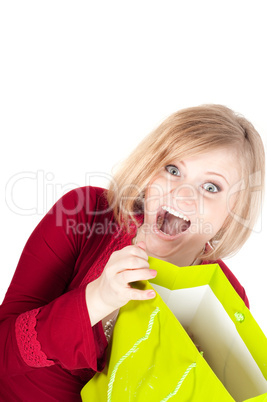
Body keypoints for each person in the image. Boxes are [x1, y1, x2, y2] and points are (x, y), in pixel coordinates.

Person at [0, 104, 265, 401]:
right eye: (173, 169)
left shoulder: (223, 297)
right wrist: (95, 299)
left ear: (233, 213)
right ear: (150, 170)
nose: (182, 193)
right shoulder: (83, 214)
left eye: (211, 187)